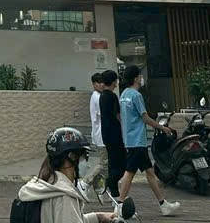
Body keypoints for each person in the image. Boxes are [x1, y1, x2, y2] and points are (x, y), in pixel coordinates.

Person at [17, 127, 122, 223]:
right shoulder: (65, 196)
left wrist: (98, 217)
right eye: (85, 157)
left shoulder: (41, 185)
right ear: (72, 157)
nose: (88, 164)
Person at [117, 65, 180, 216]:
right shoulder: (136, 96)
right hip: (137, 140)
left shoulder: (124, 95)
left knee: (150, 172)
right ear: (135, 78)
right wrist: (163, 128)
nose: (141, 78)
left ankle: (163, 204)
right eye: (139, 76)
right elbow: (145, 118)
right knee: (130, 172)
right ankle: (119, 205)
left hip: (130, 139)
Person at [97, 70, 127, 198]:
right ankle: (110, 182)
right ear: (114, 81)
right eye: (116, 81)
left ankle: (113, 191)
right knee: (122, 163)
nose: (117, 83)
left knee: (112, 162)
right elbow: (118, 115)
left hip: (106, 133)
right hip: (115, 133)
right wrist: (125, 130)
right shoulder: (112, 96)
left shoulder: (102, 96)